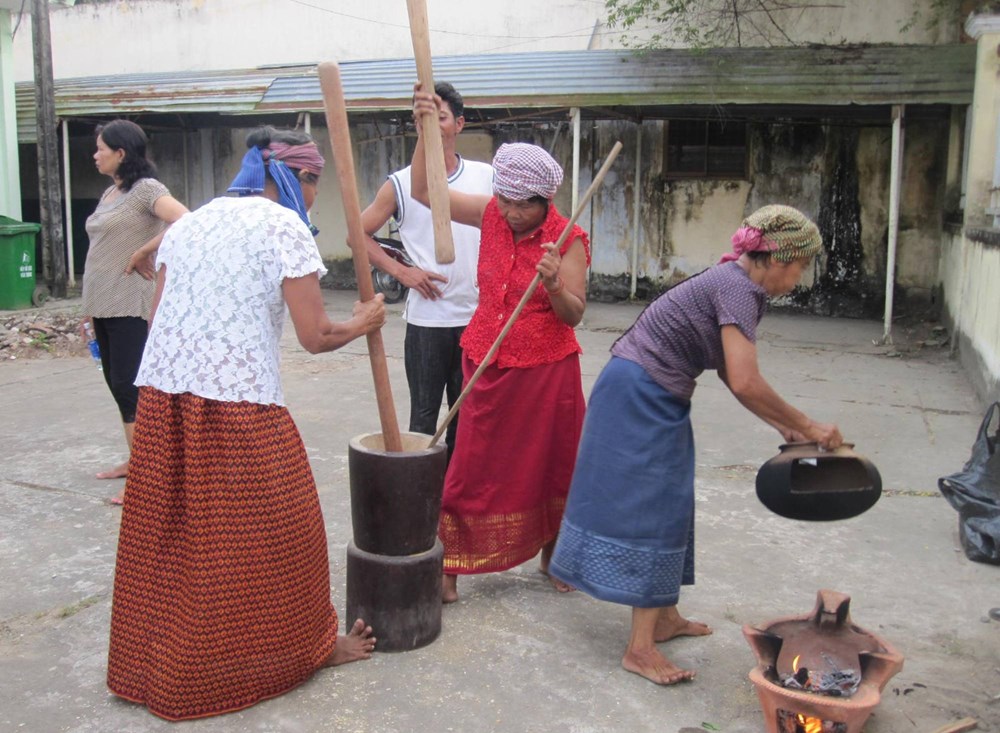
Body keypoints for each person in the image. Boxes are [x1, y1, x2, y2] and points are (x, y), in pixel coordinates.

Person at [106, 126, 383, 720]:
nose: (315, 196)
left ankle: (150, 666)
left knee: (177, 536)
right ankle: (302, 651)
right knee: (285, 530)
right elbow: (316, 335)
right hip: (235, 400)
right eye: (315, 183)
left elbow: (157, 323)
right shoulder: (285, 225)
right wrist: (365, 319)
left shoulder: (191, 222)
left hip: (162, 397)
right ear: (301, 180)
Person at [548, 205, 844, 686]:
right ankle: (640, 649)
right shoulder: (737, 288)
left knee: (673, 500)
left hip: (650, 389)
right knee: (653, 509)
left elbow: (732, 371)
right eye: (800, 266)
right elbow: (745, 381)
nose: (800, 278)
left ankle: (663, 618)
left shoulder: (739, 285)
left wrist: (785, 427)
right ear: (775, 258)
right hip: (637, 393)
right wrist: (808, 425)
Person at [410, 87, 589, 603]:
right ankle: (451, 567)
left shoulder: (566, 238)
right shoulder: (491, 214)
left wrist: (554, 284)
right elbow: (426, 193)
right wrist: (430, 128)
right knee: (469, 464)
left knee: (554, 464)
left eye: (521, 206)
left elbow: (575, 314)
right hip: (485, 358)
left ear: (544, 201)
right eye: (504, 201)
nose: (510, 213)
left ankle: (554, 554)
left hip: (546, 370)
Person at [361, 82, 493, 458]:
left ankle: (455, 502)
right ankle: (421, 499)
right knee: (423, 421)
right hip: (427, 323)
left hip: (476, 318)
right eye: (424, 118)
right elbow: (360, 235)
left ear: (460, 124)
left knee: (466, 420)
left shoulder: (486, 177)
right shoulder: (400, 184)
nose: (433, 126)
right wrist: (403, 273)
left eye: (441, 117)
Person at [81, 120, 188, 501]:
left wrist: (146, 250)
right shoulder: (112, 192)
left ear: (121, 153)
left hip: (130, 303)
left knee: (131, 388)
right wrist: (88, 311)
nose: (95, 155)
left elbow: (186, 220)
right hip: (102, 303)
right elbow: (101, 252)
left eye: (101, 149)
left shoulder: (147, 191)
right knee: (116, 384)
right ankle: (136, 461)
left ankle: (147, 481)